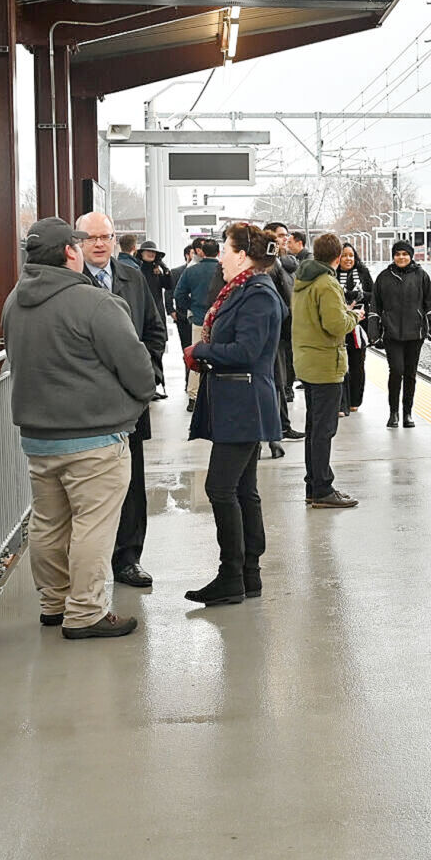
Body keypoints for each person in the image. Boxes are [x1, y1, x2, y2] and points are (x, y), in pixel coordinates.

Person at [2, 217, 154, 640]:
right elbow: (137, 366)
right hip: (95, 439)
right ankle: (85, 611)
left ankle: (54, 602)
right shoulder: (94, 303)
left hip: (38, 438)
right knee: (92, 526)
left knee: (48, 522)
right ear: (71, 252)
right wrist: (136, 402)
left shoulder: (14, 301)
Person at [182, 222, 284, 605]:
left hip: (243, 402)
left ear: (242, 255)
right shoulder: (243, 290)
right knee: (243, 489)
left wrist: (201, 352)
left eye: (225, 249)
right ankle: (247, 575)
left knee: (220, 488)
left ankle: (232, 575)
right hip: (238, 400)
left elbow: (247, 351)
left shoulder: (256, 294)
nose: (219, 257)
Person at [77, 211, 168, 589]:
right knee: (90, 487)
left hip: (130, 402)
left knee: (132, 483)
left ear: (115, 240)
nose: (99, 244)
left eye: (106, 236)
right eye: (91, 237)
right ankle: (87, 567)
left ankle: (128, 558)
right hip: (86, 405)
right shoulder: (69, 282)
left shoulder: (131, 277)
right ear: (77, 242)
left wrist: (146, 376)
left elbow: (154, 330)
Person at [294, 232, 359, 508]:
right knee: (324, 430)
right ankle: (322, 489)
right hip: (325, 364)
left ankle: (314, 485)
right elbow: (335, 325)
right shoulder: (326, 284)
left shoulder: (303, 280)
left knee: (314, 427)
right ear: (336, 257)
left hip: (308, 361)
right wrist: (354, 316)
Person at [370, 239, 431, 429]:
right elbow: (375, 306)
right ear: (393, 256)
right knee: (396, 371)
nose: (401, 257)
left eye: (405, 254)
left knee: (410, 374)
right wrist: (374, 333)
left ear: (411, 256)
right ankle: (393, 413)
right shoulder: (384, 277)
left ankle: (407, 412)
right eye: (398, 254)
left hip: (415, 334)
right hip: (392, 334)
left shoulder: (421, 276)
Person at [262, 222, 305, 455]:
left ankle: (283, 427)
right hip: (274, 330)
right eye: (279, 236)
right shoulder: (269, 264)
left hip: (284, 329)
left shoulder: (284, 262)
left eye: (285, 236)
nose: (283, 240)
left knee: (280, 381)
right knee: (275, 381)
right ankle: (276, 430)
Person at [172, 236, 222, 410]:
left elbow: (178, 294)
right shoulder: (224, 270)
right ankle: (217, 394)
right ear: (218, 252)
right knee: (220, 357)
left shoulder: (191, 271)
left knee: (196, 356)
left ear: (201, 252)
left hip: (199, 319)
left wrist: (190, 308)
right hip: (221, 320)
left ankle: (193, 396)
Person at [334, 243, 374, 415]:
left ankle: (355, 401)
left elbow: (374, 295)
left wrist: (361, 296)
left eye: (351, 255)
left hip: (360, 327)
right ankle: (341, 403)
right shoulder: (332, 275)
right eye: (344, 255)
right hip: (339, 326)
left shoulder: (363, 273)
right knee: (340, 365)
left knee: (357, 365)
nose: (348, 259)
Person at [173, 242, 199, 352]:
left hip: (198, 315)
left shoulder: (200, 270)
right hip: (182, 316)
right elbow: (171, 292)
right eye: (194, 253)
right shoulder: (176, 272)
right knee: (186, 347)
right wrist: (171, 310)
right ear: (187, 255)